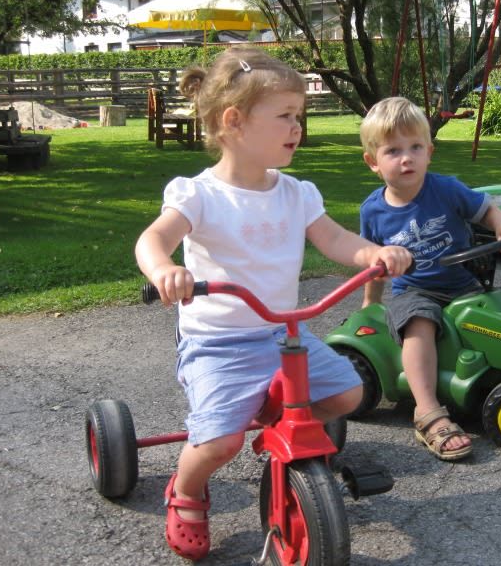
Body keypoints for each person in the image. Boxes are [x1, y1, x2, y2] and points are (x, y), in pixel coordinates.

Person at [135, 49, 412, 561]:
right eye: (285, 115)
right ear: (234, 121)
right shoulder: (199, 195)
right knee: (220, 443)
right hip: (218, 342)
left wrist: (372, 253)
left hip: (282, 335)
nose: (297, 127)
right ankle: (186, 490)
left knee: (348, 393)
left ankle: (280, 426)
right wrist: (164, 270)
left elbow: (334, 239)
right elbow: (152, 239)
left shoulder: (296, 193)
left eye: (298, 116)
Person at [358, 97, 501, 462]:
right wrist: (371, 302)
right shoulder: (373, 211)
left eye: (415, 147)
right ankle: (427, 410)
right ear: (373, 162)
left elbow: (487, 208)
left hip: (466, 284)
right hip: (415, 291)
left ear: (429, 152)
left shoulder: (446, 189)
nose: (406, 158)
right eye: (393, 150)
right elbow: (373, 264)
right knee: (419, 324)